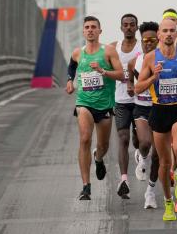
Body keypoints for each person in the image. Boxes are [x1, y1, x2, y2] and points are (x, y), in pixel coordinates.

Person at [134, 14, 177, 222]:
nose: (168, 34)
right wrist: (153, 77)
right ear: (158, 34)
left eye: (171, 30)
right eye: (164, 31)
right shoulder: (150, 58)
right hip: (158, 110)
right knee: (164, 163)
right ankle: (167, 202)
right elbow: (137, 88)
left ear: (176, 33)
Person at [66, 15, 124, 201]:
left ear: (100, 31)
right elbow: (72, 65)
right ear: (83, 31)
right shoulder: (78, 53)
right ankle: (86, 186)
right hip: (84, 102)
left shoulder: (108, 52)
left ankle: (98, 159)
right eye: (87, 27)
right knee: (84, 138)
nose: (90, 30)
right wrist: (69, 81)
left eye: (93, 27)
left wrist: (103, 71)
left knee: (103, 145)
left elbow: (121, 75)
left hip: (105, 105)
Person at [128, 21, 160, 209]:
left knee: (158, 156)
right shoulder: (135, 62)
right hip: (141, 107)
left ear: (158, 40)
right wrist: (133, 88)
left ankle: (150, 192)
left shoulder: (164, 59)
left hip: (159, 108)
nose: (148, 43)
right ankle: (142, 156)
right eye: (145, 40)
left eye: (152, 40)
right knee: (145, 143)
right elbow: (130, 83)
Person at [111, 12, 140, 199]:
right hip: (120, 101)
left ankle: (140, 154)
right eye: (125, 24)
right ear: (121, 27)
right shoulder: (114, 48)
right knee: (123, 138)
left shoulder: (141, 49)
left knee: (139, 141)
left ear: (136, 27)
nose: (128, 27)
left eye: (132, 24)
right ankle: (124, 179)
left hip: (139, 100)